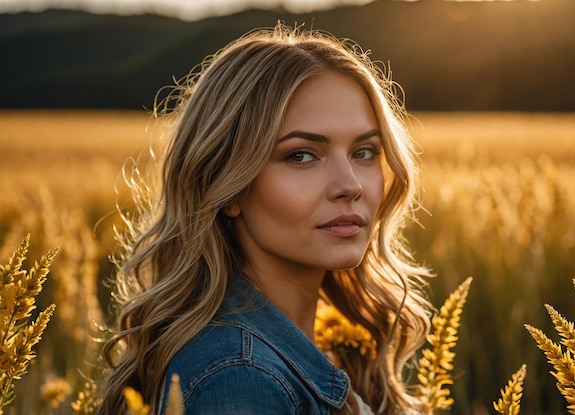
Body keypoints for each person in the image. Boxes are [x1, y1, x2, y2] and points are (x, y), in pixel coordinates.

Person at [99, 23, 432, 415]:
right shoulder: (241, 381)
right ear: (229, 188)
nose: (351, 185)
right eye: (301, 155)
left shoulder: (315, 349)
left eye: (364, 151)